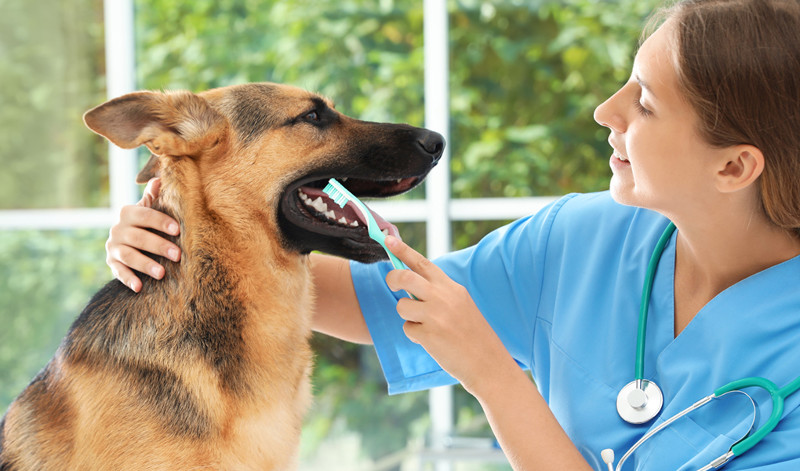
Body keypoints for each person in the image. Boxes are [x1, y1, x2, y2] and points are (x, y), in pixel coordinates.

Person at [104, 0, 800, 468]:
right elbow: (372, 301)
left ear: (735, 164)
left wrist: (493, 375)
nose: (605, 109)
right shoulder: (582, 241)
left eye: (644, 101)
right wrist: (188, 236)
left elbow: (479, 361)